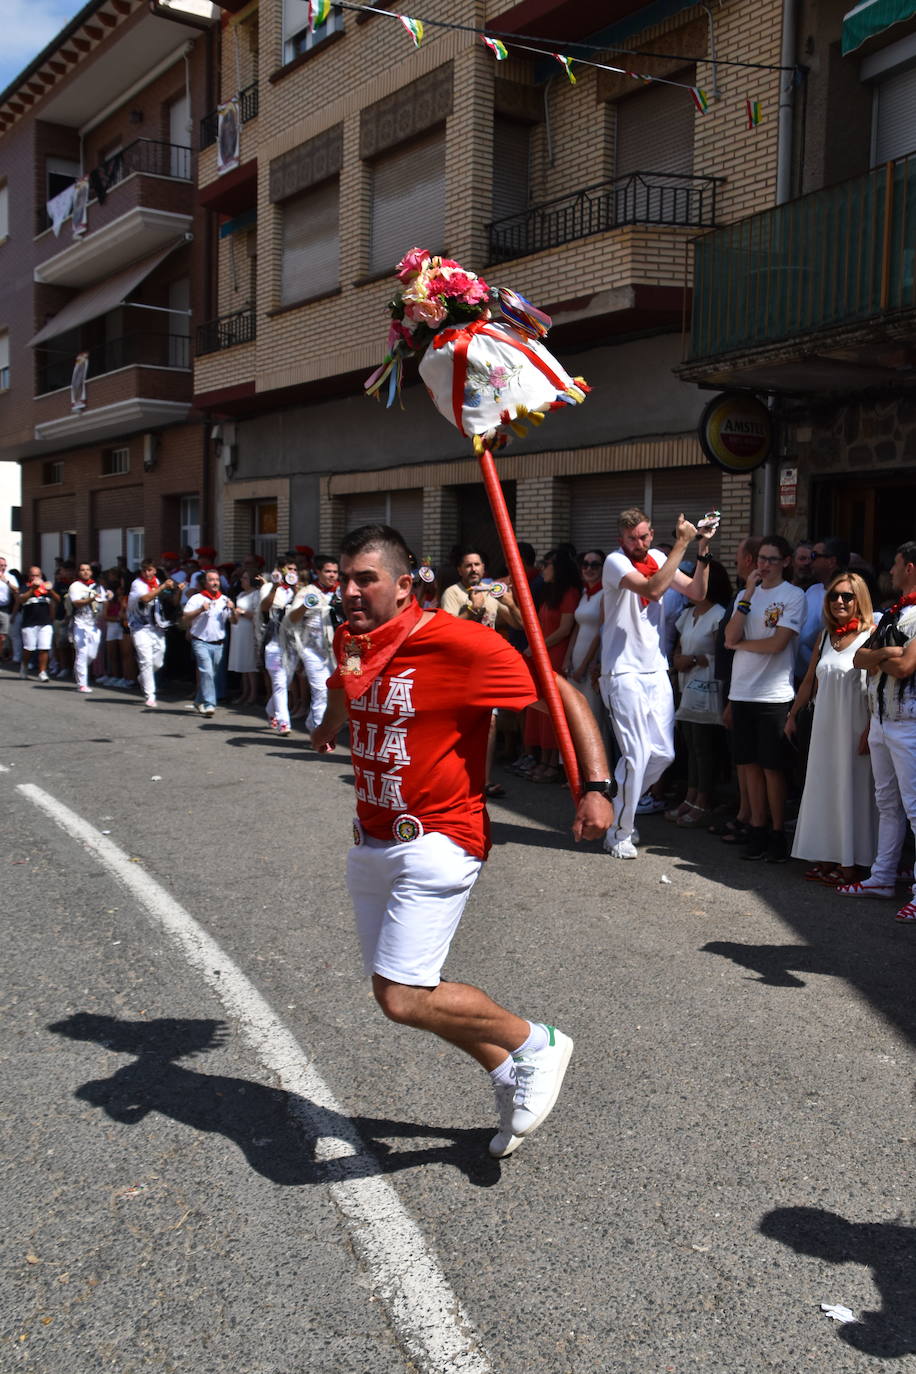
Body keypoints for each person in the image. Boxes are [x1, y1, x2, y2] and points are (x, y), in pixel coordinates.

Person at [311, 524, 615, 1159]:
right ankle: (509, 1073)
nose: (352, 591)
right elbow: (349, 683)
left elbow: (564, 696)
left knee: (403, 995)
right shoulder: (355, 637)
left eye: (366, 579)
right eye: (346, 579)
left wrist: (594, 785)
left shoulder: (460, 644)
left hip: (442, 835)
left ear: (404, 584)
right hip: (371, 839)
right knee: (407, 993)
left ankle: (538, 1043)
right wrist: (328, 726)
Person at [598, 508, 714, 859]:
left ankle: (616, 803)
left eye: (645, 536)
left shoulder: (661, 556)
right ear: (622, 539)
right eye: (633, 538)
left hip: (655, 669)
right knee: (636, 755)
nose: (640, 543)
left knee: (662, 754)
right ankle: (620, 830)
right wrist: (682, 542)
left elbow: (696, 590)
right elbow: (653, 586)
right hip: (622, 671)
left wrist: (702, 550)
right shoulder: (615, 563)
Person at [786, 571, 877, 884]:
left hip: (856, 727)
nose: (839, 601)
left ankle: (852, 862)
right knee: (825, 790)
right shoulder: (827, 636)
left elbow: (877, 687)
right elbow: (810, 680)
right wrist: (792, 714)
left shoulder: (872, 635)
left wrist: (871, 730)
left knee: (852, 792)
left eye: (847, 596)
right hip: (825, 726)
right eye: (834, 596)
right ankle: (827, 856)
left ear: (859, 600)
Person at [842, 541, 916, 923]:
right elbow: (858, 659)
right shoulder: (892, 613)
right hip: (883, 720)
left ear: (911, 568)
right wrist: (888, 654)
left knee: (915, 809)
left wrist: (885, 659)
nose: (890, 571)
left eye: (896, 565)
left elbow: (907, 669)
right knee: (888, 804)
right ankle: (883, 877)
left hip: (910, 723)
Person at [724, 535, 807, 863]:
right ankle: (757, 828)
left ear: (786, 562)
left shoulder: (793, 595)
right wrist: (747, 594)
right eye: (761, 558)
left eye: (773, 559)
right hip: (741, 692)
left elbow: (777, 644)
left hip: (773, 695)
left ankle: (776, 832)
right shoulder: (746, 596)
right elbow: (729, 636)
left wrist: (742, 645)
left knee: (772, 768)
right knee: (749, 765)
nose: (765, 564)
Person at [668, 558, 733, 827]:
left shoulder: (718, 615)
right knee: (691, 745)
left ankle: (703, 800)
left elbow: (722, 656)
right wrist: (681, 659)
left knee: (705, 747)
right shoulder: (686, 615)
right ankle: (690, 796)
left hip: (709, 691)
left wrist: (694, 660)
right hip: (686, 688)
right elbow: (678, 650)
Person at [712, 536, 763, 843]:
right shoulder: (742, 593)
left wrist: (730, 696)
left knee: (746, 757)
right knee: (739, 756)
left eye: (738, 556)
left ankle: (749, 814)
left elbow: (733, 644)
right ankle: (743, 811)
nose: (735, 561)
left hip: (743, 686)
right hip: (734, 685)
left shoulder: (752, 596)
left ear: (749, 560)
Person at [523, 548, 580, 783]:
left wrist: (538, 647)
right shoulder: (550, 593)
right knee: (540, 712)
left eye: (547, 564)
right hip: (543, 654)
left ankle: (552, 764)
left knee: (553, 712)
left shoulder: (570, 593)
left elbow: (565, 629)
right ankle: (542, 759)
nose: (543, 568)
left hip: (555, 656)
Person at [288, 554, 340, 736]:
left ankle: (312, 722)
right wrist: (305, 606)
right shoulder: (307, 591)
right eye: (328, 571)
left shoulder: (343, 591)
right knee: (320, 690)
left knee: (338, 691)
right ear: (318, 572)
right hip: (312, 650)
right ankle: (320, 732)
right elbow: (292, 618)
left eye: (335, 572)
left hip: (338, 651)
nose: (332, 575)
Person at [182, 569, 236, 716]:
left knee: (212, 674)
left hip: (218, 643)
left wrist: (233, 610)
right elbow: (185, 617)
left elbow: (233, 621)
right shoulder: (197, 599)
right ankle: (210, 704)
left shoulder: (224, 599)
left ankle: (199, 700)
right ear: (205, 583)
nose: (215, 582)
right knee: (206, 671)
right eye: (211, 580)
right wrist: (200, 609)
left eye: (217, 580)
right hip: (200, 641)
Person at [127, 559, 179, 708]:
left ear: (155, 570)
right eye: (144, 571)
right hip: (140, 627)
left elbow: (172, 601)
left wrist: (178, 589)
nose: (147, 573)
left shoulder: (158, 581)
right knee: (146, 660)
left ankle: (143, 676)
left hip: (157, 627)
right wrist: (163, 587)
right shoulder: (138, 584)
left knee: (158, 661)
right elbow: (145, 598)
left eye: (149, 570)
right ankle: (150, 695)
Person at [796, 537, 849, 681]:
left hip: (824, 678)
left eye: (814, 556)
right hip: (798, 676)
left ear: (831, 561)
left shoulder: (847, 598)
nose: (809, 562)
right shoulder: (812, 590)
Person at [257, 557, 299, 736]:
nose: (292, 573)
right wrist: (275, 586)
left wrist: (297, 590)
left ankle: (270, 710)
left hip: (293, 643)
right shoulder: (268, 587)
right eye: (289, 569)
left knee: (285, 683)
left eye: (295, 570)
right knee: (279, 683)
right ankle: (284, 722)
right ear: (280, 570)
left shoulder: (299, 589)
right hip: (274, 642)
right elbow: (265, 608)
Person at [563, 549, 605, 722]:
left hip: (591, 664)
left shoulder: (605, 594)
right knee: (574, 715)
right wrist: (567, 658)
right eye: (585, 564)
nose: (589, 568)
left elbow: (601, 632)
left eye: (595, 564)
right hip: (575, 662)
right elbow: (577, 628)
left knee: (591, 716)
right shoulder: (584, 594)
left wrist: (585, 665)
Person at [68, 562, 109, 694]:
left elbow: (104, 601)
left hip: (94, 625)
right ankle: (82, 683)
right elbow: (76, 603)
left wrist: (108, 597)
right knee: (82, 652)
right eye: (82, 570)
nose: (85, 572)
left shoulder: (97, 586)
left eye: (87, 570)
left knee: (92, 654)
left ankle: (79, 669)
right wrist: (90, 600)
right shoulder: (75, 586)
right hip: (79, 623)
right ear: (78, 572)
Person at [17, 567, 60, 681]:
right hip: (29, 623)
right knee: (29, 648)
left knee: (44, 648)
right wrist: (32, 589)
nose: (35, 578)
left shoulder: (46, 588)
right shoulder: (25, 587)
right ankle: (24, 667)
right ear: (29, 576)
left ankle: (42, 672)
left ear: (41, 576)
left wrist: (50, 590)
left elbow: (58, 599)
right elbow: (21, 600)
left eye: (37, 575)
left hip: (45, 622)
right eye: (32, 575)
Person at [228, 569, 260, 705]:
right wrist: (233, 610)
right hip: (238, 629)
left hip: (249, 630)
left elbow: (258, 616)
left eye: (245, 578)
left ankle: (253, 694)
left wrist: (242, 612)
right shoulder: (241, 594)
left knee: (250, 664)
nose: (242, 580)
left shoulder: (256, 594)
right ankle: (245, 692)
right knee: (242, 664)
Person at [0, 555, 19, 662]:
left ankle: (3, 655)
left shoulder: (10, 577)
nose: (3, 567)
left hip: (4, 608)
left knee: (4, 634)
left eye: (4, 565)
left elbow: (17, 590)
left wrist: (6, 582)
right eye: (1, 565)